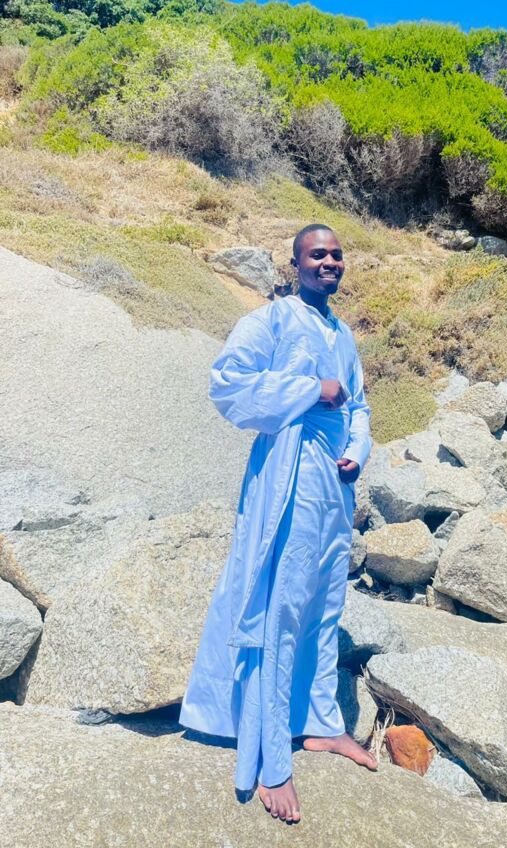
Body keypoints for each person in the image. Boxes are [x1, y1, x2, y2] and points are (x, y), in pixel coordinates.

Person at [179, 223, 377, 824]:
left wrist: (357, 449)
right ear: (295, 264)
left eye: (337, 255)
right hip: (287, 474)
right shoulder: (270, 320)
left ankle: (319, 722)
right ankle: (269, 753)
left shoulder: (342, 333)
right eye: (318, 254)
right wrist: (310, 389)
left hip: (333, 484)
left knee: (324, 601)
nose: (330, 262)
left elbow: (359, 405)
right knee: (282, 602)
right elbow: (227, 383)